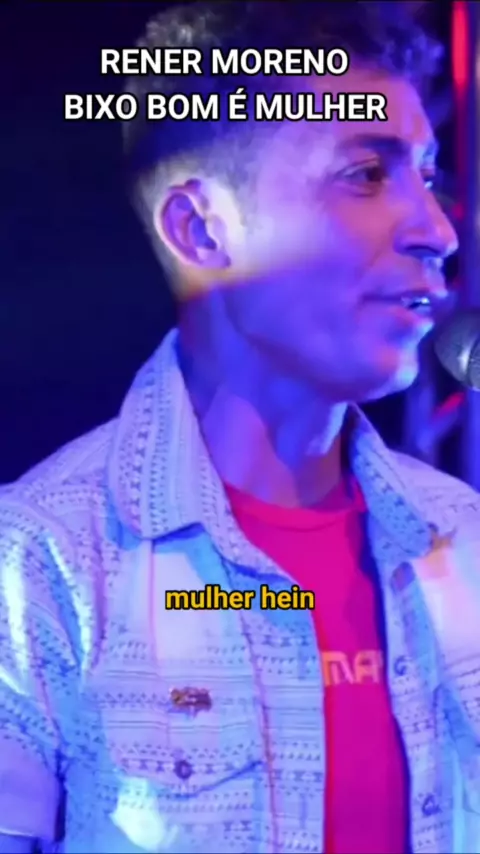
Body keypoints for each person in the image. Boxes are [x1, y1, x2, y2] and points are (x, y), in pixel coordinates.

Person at [0, 1, 478, 852]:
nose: (437, 230)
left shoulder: (464, 536)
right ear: (201, 229)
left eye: (429, 175)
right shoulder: (41, 561)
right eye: (368, 173)